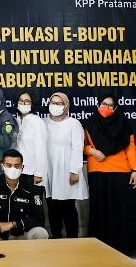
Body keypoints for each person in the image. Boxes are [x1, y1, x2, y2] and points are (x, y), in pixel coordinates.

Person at [83, 92, 136, 254]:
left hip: (121, 172)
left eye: (111, 105)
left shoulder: (122, 123)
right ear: (98, 105)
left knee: (122, 212)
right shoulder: (90, 123)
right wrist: (91, 151)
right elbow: (80, 145)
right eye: (104, 104)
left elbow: (130, 147)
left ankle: (125, 247)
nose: (107, 108)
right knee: (101, 211)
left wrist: (135, 170)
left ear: (116, 108)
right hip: (98, 172)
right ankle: (100, 247)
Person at [0, 149, 49, 241]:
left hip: (21, 236)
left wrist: (14, 224)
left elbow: (39, 219)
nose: (13, 169)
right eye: (9, 165)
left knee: (41, 233)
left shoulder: (30, 187)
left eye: (16, 166)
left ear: (22, 168)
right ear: (2, 166)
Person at [43, 92, 88, 239]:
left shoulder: (73, 124)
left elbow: (78, 148)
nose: (55, 106)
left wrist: (74, 171)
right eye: (53, 103)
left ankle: (72, 237)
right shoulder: (44, 122)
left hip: (66, 169)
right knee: (52, 205)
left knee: (67, 206)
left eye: (59, 103)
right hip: (50, 169)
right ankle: (56, 236)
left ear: (66, 105)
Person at [14, 89, 47, 189]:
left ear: (32, 104)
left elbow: (41, 149)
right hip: (18, 171)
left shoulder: (37, 122)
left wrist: (38, 173)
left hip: (32, 172)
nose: (23, 103)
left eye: (27, 101)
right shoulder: (16, 121)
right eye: (20, 101)